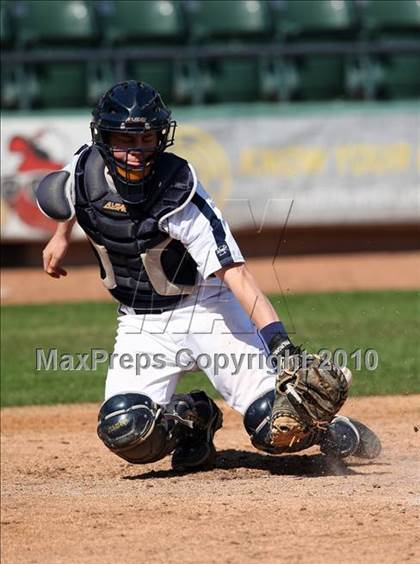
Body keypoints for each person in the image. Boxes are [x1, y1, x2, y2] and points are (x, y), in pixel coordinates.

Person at [36, 80, 381, 470]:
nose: (135, 152)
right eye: (123, 139)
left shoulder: (178, 190)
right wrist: (60, 236)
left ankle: (328, 431)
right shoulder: (84, 172)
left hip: (207, 311)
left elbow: (236, 275)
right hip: (141, 324)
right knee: (125, 428)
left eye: (146, 138)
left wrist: (281, 345)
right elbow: (67, 195)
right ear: (103, 139)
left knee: (275, 427)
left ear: (161, 138)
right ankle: (195, 420)